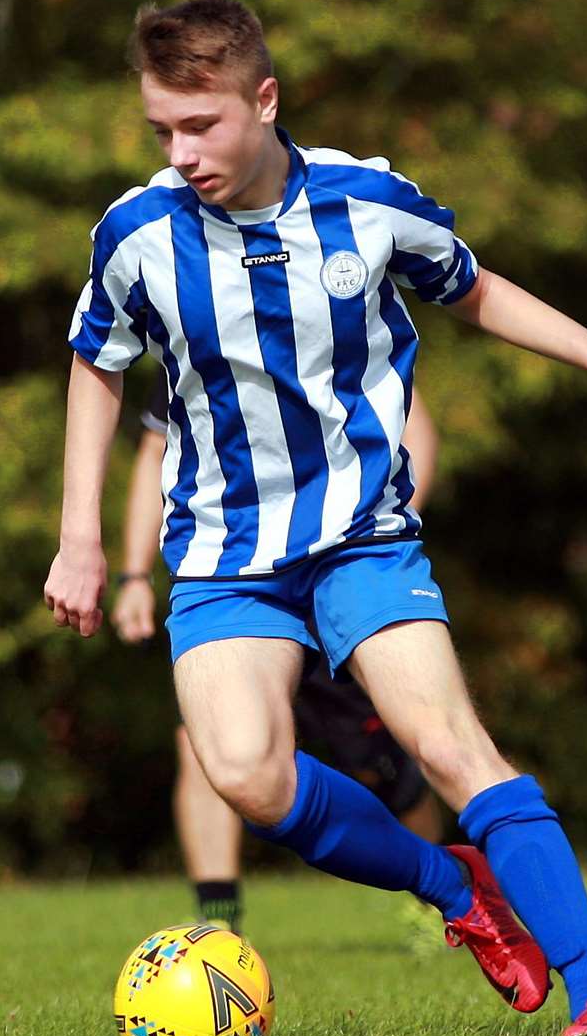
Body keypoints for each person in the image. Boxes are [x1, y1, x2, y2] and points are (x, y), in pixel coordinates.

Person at [43, 0, 587, 1036]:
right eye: (163, 129)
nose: (182, 150)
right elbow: (94, 368)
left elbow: (475, 291)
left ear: (264, 98)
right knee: (242, 771)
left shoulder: (367, 203)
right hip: (223, 551)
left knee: (449, 742)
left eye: (201, 124)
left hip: (362, 538)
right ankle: (455, 890)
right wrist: (82, 539)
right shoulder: (137, 232)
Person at [111, 382, 444, 933]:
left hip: (334, 575)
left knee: (385, 758)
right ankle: (218, 923)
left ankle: (440, 906)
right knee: (204, 745)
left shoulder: (336, 312)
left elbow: (418, 432)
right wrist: (133, 575)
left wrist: (381, 536)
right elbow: (154, 457)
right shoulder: (183, 319)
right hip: (231, 582)